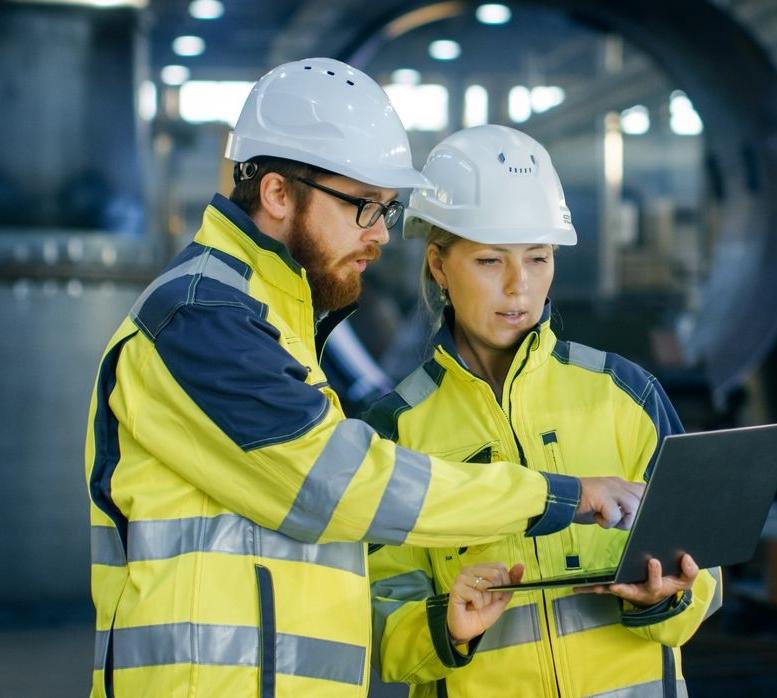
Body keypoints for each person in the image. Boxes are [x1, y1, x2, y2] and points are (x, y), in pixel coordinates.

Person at [84, 60, 644, 698]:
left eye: (387, 208)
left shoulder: (271, 317)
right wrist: (553, 496)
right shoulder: (202, 317)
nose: (381, 233)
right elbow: (336, 485)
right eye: (363, 206)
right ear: (276, 194)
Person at [365, 125, 722, 698]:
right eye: (488, 261)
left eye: (538, 258)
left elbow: (706, 568)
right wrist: (447, 628)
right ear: (438, 266)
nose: (519, 287)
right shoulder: (396, 430)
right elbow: (379, 622)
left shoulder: (626, 394)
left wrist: (672, 595)